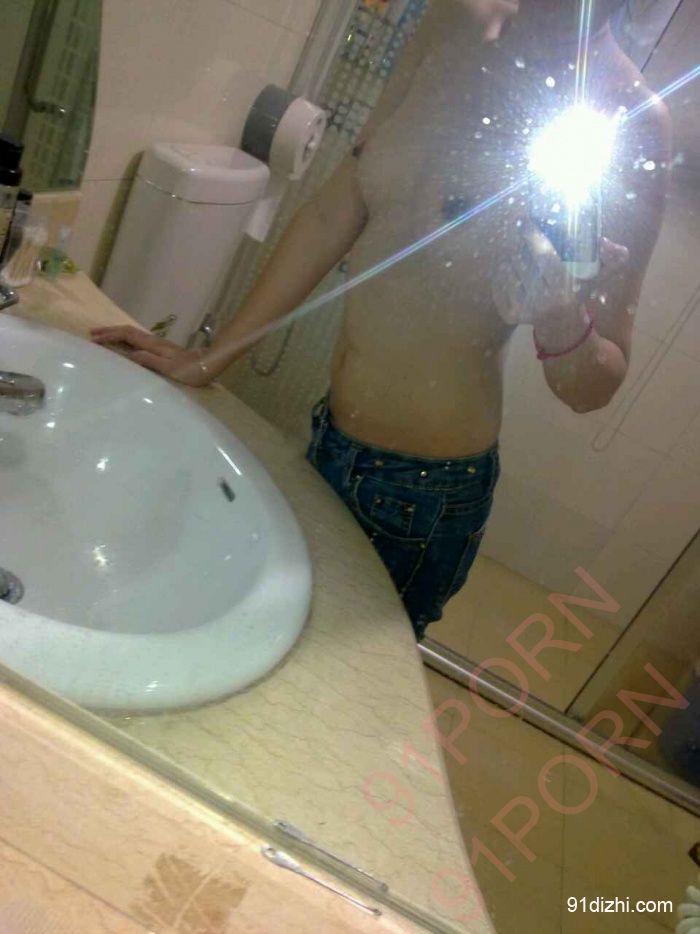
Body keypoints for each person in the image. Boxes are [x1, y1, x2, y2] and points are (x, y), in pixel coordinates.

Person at [92, 0, 671, 641]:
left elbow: (594, 386)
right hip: (329, 435)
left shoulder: (631, 116)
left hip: (422, 497)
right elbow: (335, 210)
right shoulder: (451, 18)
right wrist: (210, 357)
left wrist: (559, 313)